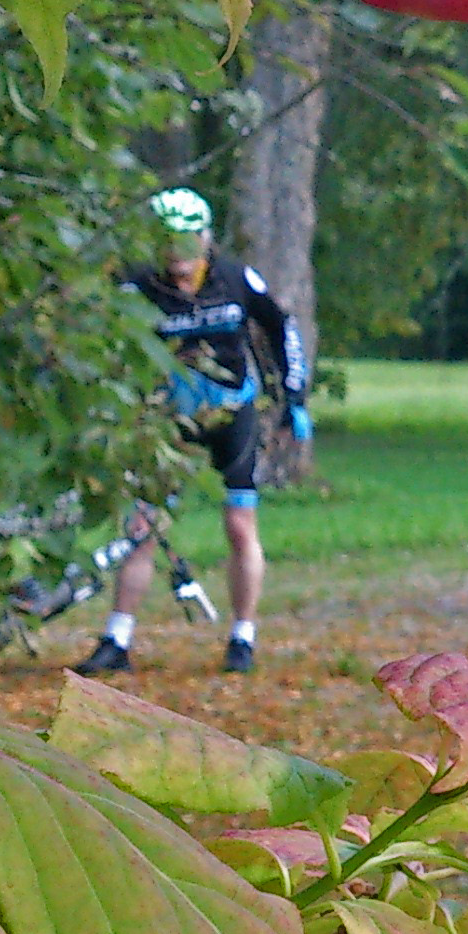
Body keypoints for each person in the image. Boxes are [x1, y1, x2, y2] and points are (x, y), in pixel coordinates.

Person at [78, 187, 306, 676]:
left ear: (205, 239)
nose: (178, 258)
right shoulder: (137, 286)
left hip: (231, 414)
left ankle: (243, 637)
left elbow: (281, 327)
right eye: (168, 244)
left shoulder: (235, 278)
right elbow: (102, 345)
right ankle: (117, 638)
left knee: (239, 524)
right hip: (167, 423)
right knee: (143, 528)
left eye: (188, 243)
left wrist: (294, 398)